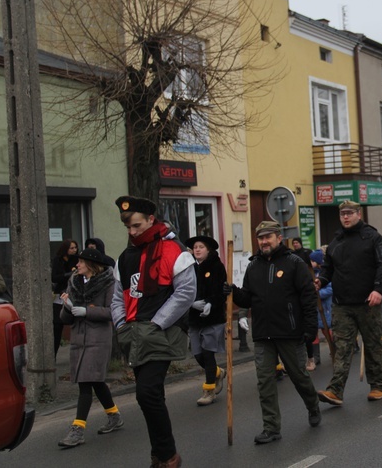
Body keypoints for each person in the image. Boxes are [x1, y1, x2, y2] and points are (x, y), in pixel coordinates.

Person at [111, 196, 195, 468]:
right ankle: (159, 454)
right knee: (151, 396)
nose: (132, 232)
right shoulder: (125, 257)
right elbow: (116, 298)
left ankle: (168, 455)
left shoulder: (174, 249)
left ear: (150, 219)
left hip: (162, 332)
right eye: (128, 228)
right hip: (133, 334)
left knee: (146, 393)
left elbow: (185, 293)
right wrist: (121, 325)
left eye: (136, 225)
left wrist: (157, 323)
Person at [231, 221, 320, 444]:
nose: (264, 242)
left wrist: (310, 328)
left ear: (279, 238)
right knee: (265, 382)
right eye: (260, 238)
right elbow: (247, 298)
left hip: (289, 332)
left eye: (268, 237)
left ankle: (313, 404)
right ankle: (271, 428)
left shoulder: (294, 263)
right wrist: (232, 292)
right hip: (262, 334)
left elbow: (308, 298)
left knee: (299, 377)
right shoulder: (253, 267)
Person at [316, 200, 382, 406]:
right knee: (342, 348)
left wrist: (378, 290)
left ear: (359, 214)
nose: (345, 217)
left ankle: (377, 385)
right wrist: (320, 280)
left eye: (349, 213)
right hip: (342, 304)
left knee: (373, 344)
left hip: (368, 303)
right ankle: (335, 391)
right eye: (342, 214)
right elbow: (327, 268)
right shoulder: (336, 241)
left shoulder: (373, 238)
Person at [57, 248, 123, 448]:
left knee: (86, 382)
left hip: (98, 339)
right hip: (78, 339)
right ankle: (114, 416)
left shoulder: (108, 283)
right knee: (95, 381)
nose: (77, 265)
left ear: (92, 265)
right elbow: (64, 318)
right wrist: (68, 308)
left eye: (81, 262)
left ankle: (78, 430)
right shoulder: (74, 282)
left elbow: (112, 311)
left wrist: (86, 311)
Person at [185, 235, 227, 407]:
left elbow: (221, 291)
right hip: (195, 318)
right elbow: (184, 290)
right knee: (198, 354)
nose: (197, 249)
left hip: (213, 318)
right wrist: (191, 303)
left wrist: (211, 303)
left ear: (208, 250)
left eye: (201, 247)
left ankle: (209, 390)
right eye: (195, 247)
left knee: (208, 353)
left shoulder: (217, 266)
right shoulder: (190, 268)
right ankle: (217, 372)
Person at [51, 238, 79, 357]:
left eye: (75, 248)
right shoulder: (58, 260)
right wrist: (68, 274)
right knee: (57, 325)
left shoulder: (77, 260)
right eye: (71, 248)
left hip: (74, 294)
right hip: (60, 294)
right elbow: (55, 277)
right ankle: (53, 355)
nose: (74, 250)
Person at [309, 249, 332, 368]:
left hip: (324, 308)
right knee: (314, 333)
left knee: (326, 330)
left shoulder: (324, 274)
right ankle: (316, 357)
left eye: (313, 260)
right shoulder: (310, 273)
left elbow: (330, 289)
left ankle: (335, 350)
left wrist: (318, 293)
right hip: (314, 309)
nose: (311, 262)